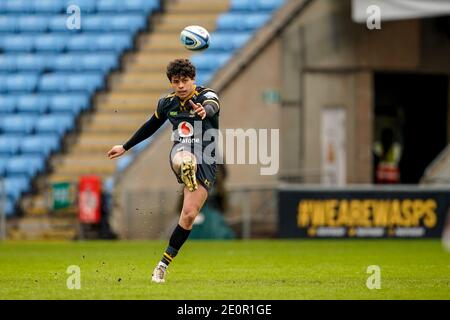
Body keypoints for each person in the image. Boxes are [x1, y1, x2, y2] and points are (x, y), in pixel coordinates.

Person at [107, 59, 220, 283]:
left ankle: (162, 265)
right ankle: (185, 169)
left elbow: (212, 106)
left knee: (188, 216)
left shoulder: (207, 95)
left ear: (193, 80)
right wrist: (125, 146)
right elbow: (150, 125)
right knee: (184, 159)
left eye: (185, 81)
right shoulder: (166, 104)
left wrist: (203, 111)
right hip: (182, 149)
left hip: (207, 156)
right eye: (176, 82)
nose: (181, 86)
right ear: (171, 83)